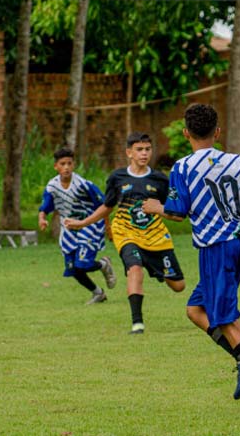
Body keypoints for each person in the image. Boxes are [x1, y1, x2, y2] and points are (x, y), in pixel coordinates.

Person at [142, 103, 240, 416]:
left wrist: (157, 208)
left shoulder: (183, 167)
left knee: (225, 319)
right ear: (217, 132)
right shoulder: (236, 161)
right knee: (196, 309)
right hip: (238, 244)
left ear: (185, 133)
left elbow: (178, 213)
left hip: (216, 248)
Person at [64, 132, 185, 334]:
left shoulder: (160, 180)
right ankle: (137, 324)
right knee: (134, 269)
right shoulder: (117, 177)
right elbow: (107, 206)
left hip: (155, 237)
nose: (144, 153)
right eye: (139, 149)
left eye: (147, 149)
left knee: (178, 285)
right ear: (129, 152)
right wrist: (82, 223)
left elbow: (177, 214)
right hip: (126, 233)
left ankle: (154, 267)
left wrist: (159, 209)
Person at [38, 147, 116, 305]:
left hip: (90, 227)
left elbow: (104, 205)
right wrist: (42, 218)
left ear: (74, 165)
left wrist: (108, 227)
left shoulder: (83, 185)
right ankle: (98, 293)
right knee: (74, 269)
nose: (66, 167)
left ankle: (103, 264)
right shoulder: (52, 186)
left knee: (83, 263)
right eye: (62, 164)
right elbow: (45, 205)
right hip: (68, 230)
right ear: (56, 167)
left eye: (69, 163)